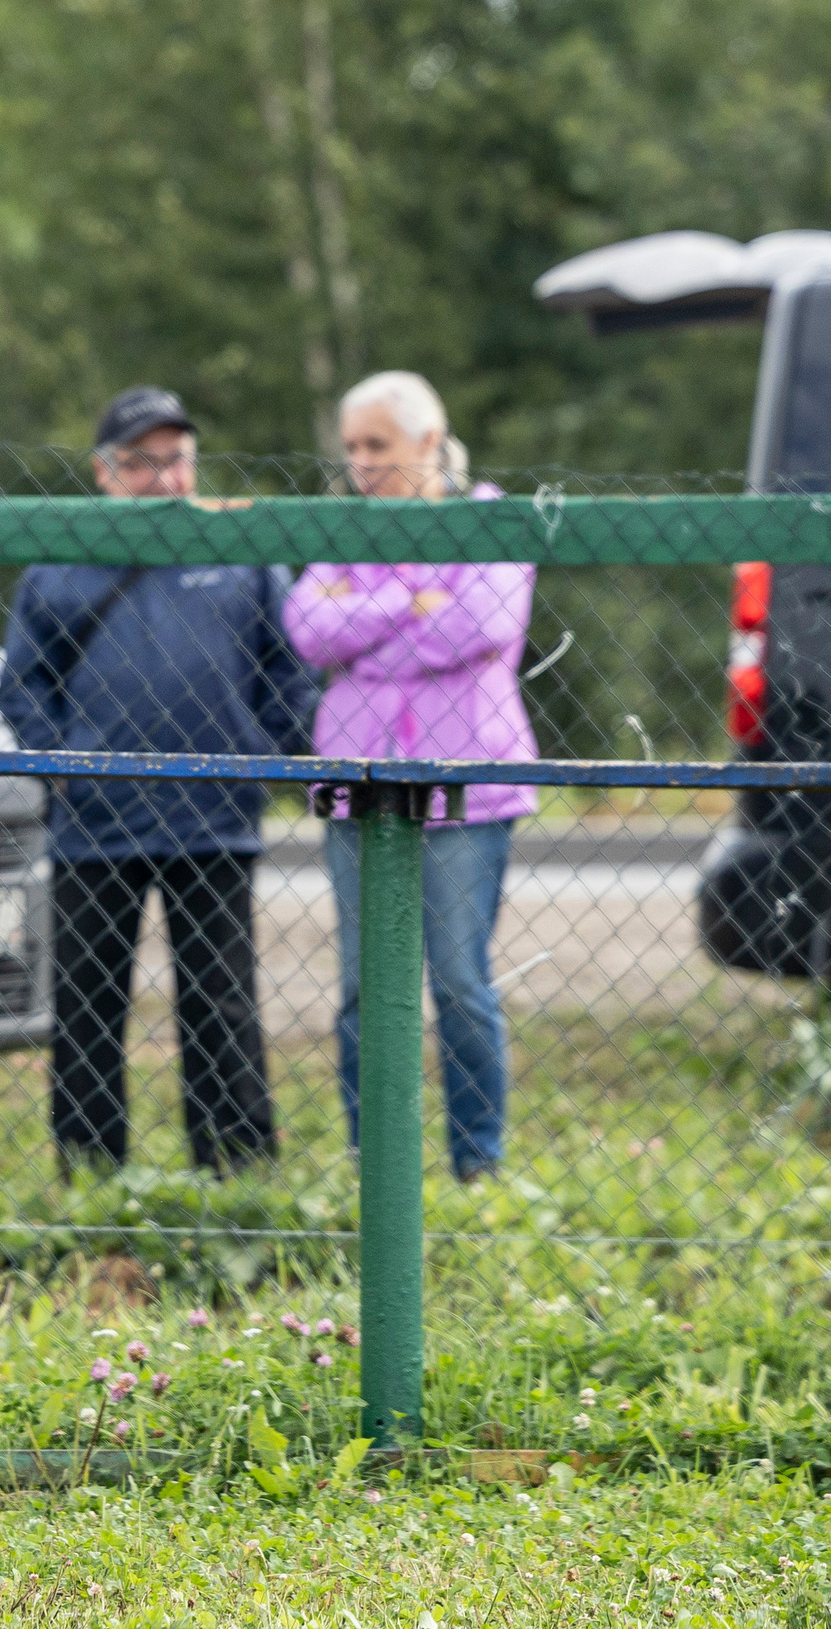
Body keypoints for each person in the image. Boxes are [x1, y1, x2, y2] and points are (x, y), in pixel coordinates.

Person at [0, 386, 320, 1177]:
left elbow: (290, 669)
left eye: (177, 459)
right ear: (104, 472)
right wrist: (64, 768)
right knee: (87, 1006)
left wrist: (260, 755)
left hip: (216, 819)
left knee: (221, 1003)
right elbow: (24, 685)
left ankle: (237, 1169)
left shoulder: (242, 550)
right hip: (94, 826)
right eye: (143, 462)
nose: (165, 478)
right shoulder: (59, 561)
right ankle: (91, 1172)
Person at [284, 370, 538, 1184]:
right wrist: (416, 601)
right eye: (351, 447)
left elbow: (482, 623)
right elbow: (307, 628)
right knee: (363, 987)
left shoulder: (490, 518)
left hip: (469, 787)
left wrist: (367, 624)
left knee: (459, 981)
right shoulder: (347, 527)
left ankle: (478, 1163)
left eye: (377, 445)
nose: (361, 462)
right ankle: (377, 1162)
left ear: (430, 440)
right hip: (357, 787)